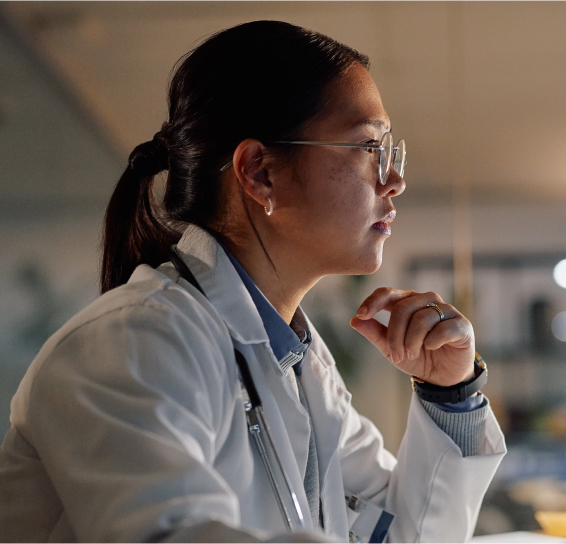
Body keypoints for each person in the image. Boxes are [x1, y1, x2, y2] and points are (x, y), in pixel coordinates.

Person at [0, 20, 506, 543]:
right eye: (369, 148)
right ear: (259, 172)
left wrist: (452, 392)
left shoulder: (298, 368)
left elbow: (408, 536)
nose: (394, 180)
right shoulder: (136, 342)